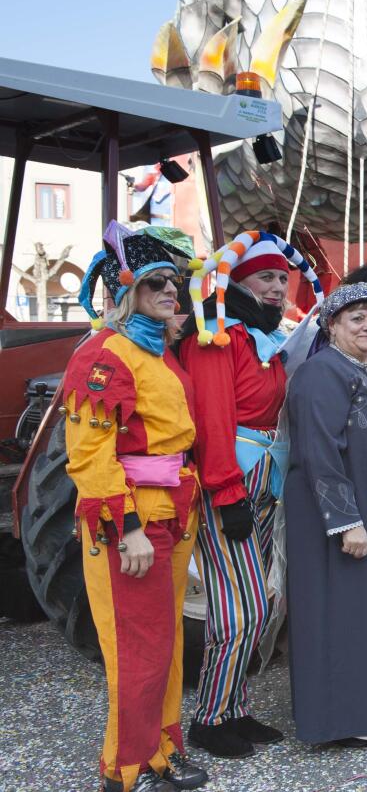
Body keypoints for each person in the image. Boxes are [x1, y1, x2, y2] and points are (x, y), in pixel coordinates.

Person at [67, 222, 208, 792]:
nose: (171, 293)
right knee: (137, 648)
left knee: (165, 642)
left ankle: (160, 752)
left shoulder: (157, 353)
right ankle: (124, 771)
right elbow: (90, 455)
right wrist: (126, 528)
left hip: (173, 515)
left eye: (174, 284)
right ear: (125, 292)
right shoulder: (103, 356)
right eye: (156, 285)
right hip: (135, 523)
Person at [178, 233, 323, 758]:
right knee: (242, 610)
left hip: (266, 483)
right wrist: (224, 490)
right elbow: (212, 420)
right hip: (231, 486)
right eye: (265, 277)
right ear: (237, 281)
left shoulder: (263, 339)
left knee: (256, 607)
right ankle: (210, 718)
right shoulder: (216, 336)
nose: (277, 288)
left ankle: (233, 707)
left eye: (283, 279)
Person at [284, 283, 367, 744]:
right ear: (332, 324)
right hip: (343, 522)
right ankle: (340, 720)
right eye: (356, 317)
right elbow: (319, 451)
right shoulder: (322, 373)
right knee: (340, 615)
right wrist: (347, 521)